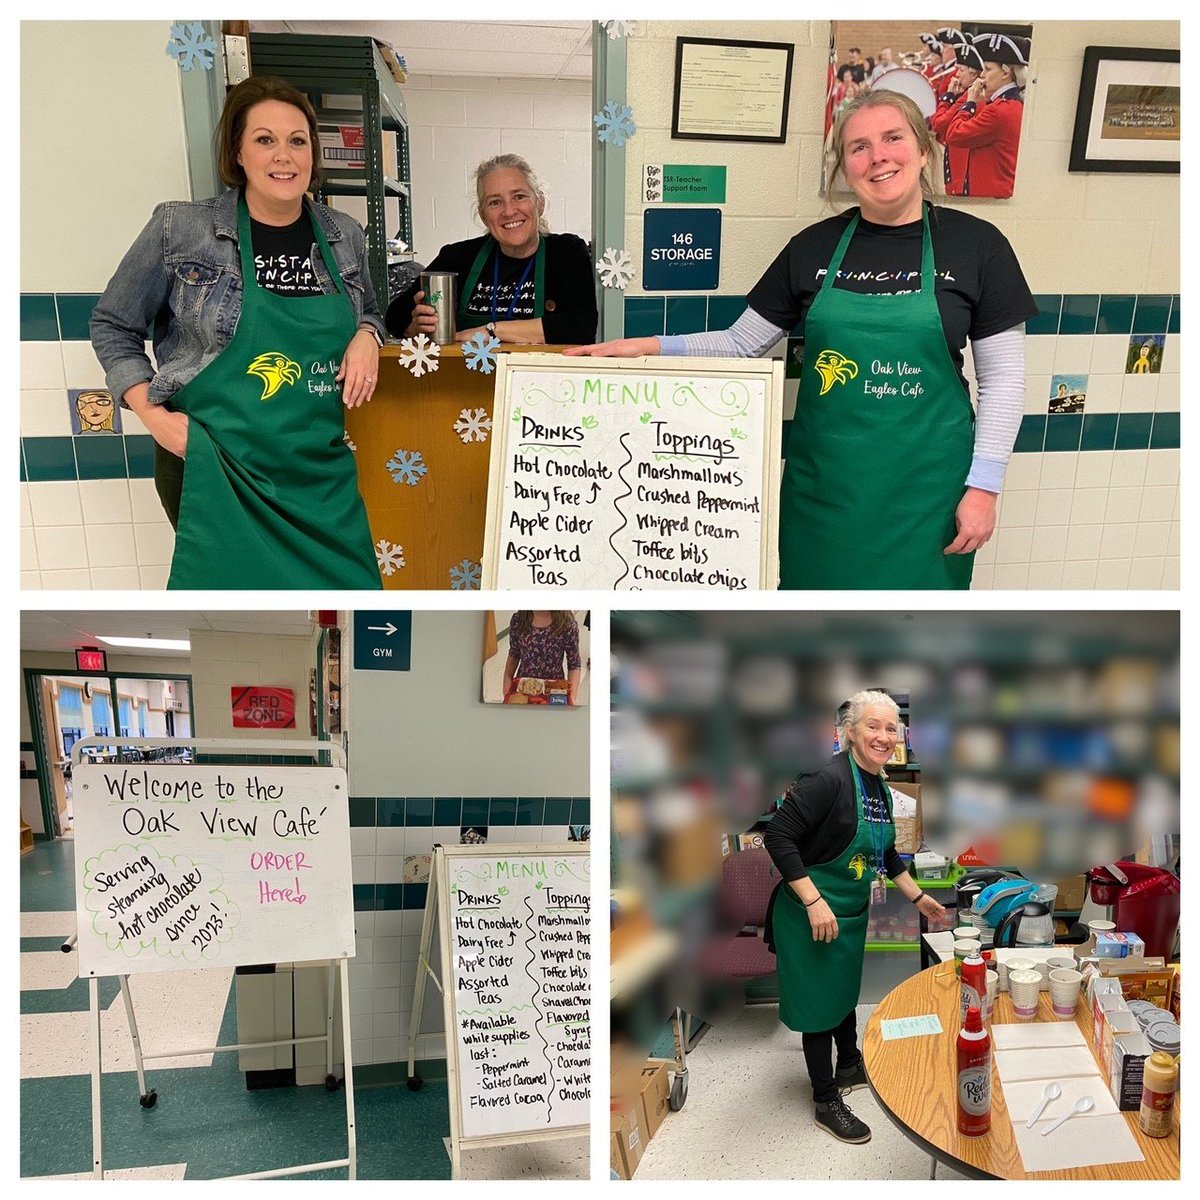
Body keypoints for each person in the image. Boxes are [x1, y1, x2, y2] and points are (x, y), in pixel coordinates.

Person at [567, 90, 1038, 589]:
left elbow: (1004, 381)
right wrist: (644, 347)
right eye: (858, 147)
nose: (877, 156)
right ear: (845, 167)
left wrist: (984, 487)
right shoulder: (813, 246)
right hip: (824, 494)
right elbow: (741, 342)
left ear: (924, 150)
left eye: (893, 138)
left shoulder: (979, 246)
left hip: (930, 496)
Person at [90, 76, 383, 589]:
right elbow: (112, 324)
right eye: (265, 140)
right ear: (238, 152)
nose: (284, 156)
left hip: (317, 476)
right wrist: (153, 416)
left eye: (298, 140)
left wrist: (368, 334)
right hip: (215, 464)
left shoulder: (345, 236)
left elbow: (372, 311)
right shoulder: (181, 229)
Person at [763, 691, 948, 1144]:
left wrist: (918, 897)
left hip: (848, 913)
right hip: (812, 917)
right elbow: (778, 837)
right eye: (873, 726)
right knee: (818, 1009)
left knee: (843, 994)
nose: (884, 736)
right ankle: (826, 1100)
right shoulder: (827, 781)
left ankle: (848, 1063)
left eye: (891, 728)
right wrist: (812, 900)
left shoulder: (878, 786)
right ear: (849, 731)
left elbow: (885, 853)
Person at [386, 154, 597, 346]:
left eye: (519, 196)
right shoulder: (457, 257)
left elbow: (580, 328)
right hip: (465, 381)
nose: (509, 211)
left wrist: (490, 331)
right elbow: (395, 317)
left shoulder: (566, 253)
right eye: (495, 202)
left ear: (539, 203)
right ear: (483, 214)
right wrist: (415, 327)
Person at [940, 33, 1030, 199]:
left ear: (1006, 73)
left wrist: (970, 103)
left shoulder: (998, 111)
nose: (982, 75)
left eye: (988, 69)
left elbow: (954, 135)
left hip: (989, 199)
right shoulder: (1008, 105)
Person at [930, 39, 985, 194]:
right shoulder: (966, 95)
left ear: (974, 74)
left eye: (961, 70)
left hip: (961, 173)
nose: (957, 74)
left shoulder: (967, 97)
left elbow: (938, 123)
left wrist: (948, 96)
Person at [503, 610, 582, 705]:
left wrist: (571, 698)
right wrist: (506, 687)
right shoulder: (518, 620)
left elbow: (574, 664)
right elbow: (514, 653)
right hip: (523, 688)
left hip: (554, 691)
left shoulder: (567, 623)